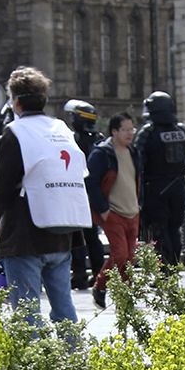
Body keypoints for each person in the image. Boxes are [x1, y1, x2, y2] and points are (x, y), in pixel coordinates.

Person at [0, 66, 88, 324]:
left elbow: (1, 188)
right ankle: (73, 358)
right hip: (61, 233)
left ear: (16, 102)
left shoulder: (15, 133)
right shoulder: (62, 129)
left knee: (27, 313)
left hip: (25, 236)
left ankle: (33, 364)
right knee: (64, 309)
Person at [136, 91, 185, 267]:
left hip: (155, 188)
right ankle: (173, 266)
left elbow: (137, 162)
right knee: (174, 230)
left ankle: (164, 269)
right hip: (177, 187)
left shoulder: (148, 132)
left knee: (159, 230)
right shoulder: (182, 130)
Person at [88, 112, 143, 309]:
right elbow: (91, 182)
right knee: (120, 254)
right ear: (114, 131)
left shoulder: (133, 151)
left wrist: (139, 204)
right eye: (126, 130)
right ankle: (100, 286)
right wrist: (103, 210)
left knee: (130, 257)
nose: (130, 134)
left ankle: (125, 294)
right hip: (113, 212)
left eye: (132, 129)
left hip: (132, 211)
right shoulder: (102, 153)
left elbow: (137, 180)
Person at [65, 100, 108, 290]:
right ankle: (99, 272)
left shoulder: (71, 139)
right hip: (93, 194)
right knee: (92, 237)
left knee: (77, 238)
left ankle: (80, 275)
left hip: (76, 193)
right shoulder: (99, 139)